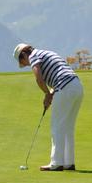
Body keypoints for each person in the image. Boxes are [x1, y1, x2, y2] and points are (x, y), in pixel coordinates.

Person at [14, 43, 84, 172]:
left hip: (64, 87)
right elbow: (58, 74)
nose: (27, 65)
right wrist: (51, 94)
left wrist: (47, 94)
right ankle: (69, 163)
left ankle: (56, 163)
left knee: (57, 126)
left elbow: (39, 78)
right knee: (68, 126)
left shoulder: (34, 56)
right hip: (77, 87)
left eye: (23, 62)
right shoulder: (48, 53)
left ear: (24, 54)